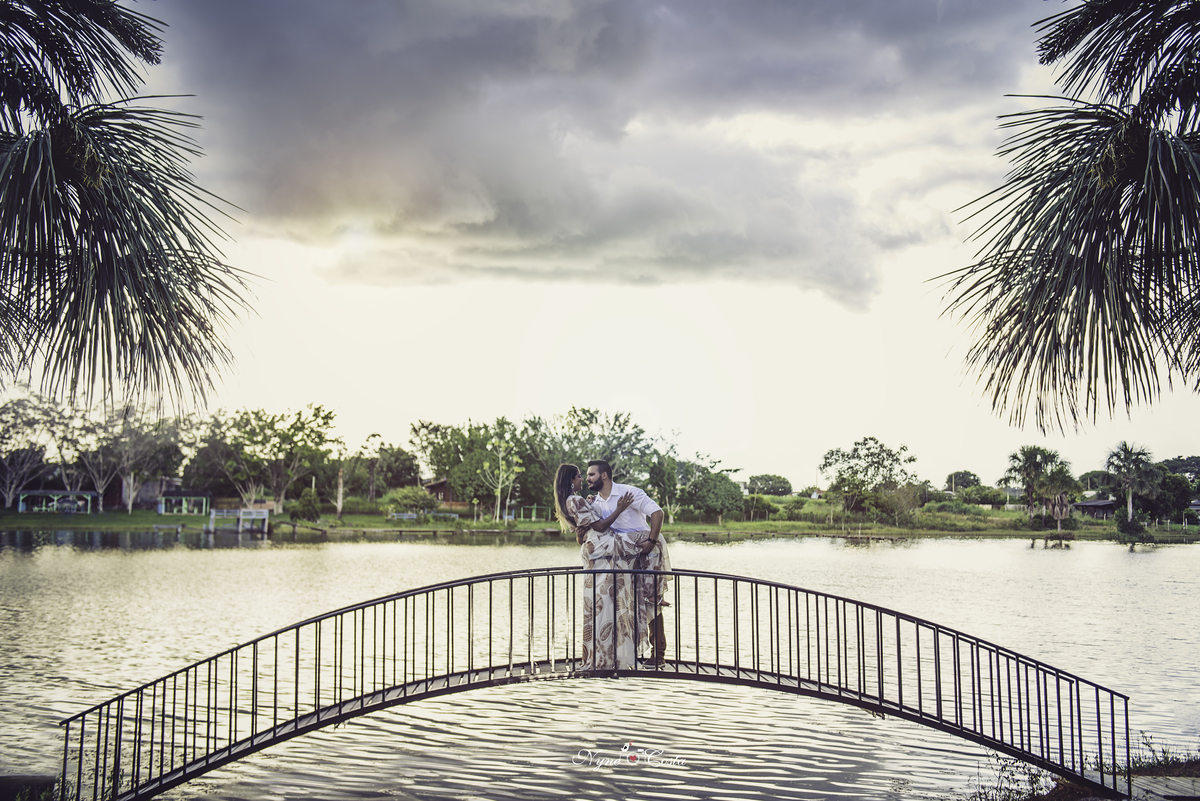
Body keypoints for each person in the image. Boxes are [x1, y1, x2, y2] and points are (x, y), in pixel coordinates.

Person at [584, 460, 672, 666]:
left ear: (604, 475)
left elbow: (658, 513)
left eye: (591, 475)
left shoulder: (629, 493)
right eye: (587, 475)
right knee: (629, 604)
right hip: (623, 557)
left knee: (651, 602)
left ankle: (659, 655)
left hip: (646, 551)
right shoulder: (595, 502)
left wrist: (651, 541)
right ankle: (624, 653)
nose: (588, 478)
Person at [552, 463, 636, 669]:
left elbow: (585, 526)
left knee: (598, 604)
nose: (583, 480)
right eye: (579, 476)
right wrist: (620, 509)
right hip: (602, 548)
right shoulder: (575, 499)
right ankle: (655, 592)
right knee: (651, 540)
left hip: (594, 551)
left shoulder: (570, 501)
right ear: (571, 480)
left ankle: (599, 656)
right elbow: (598, 526)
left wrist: (590, 504)